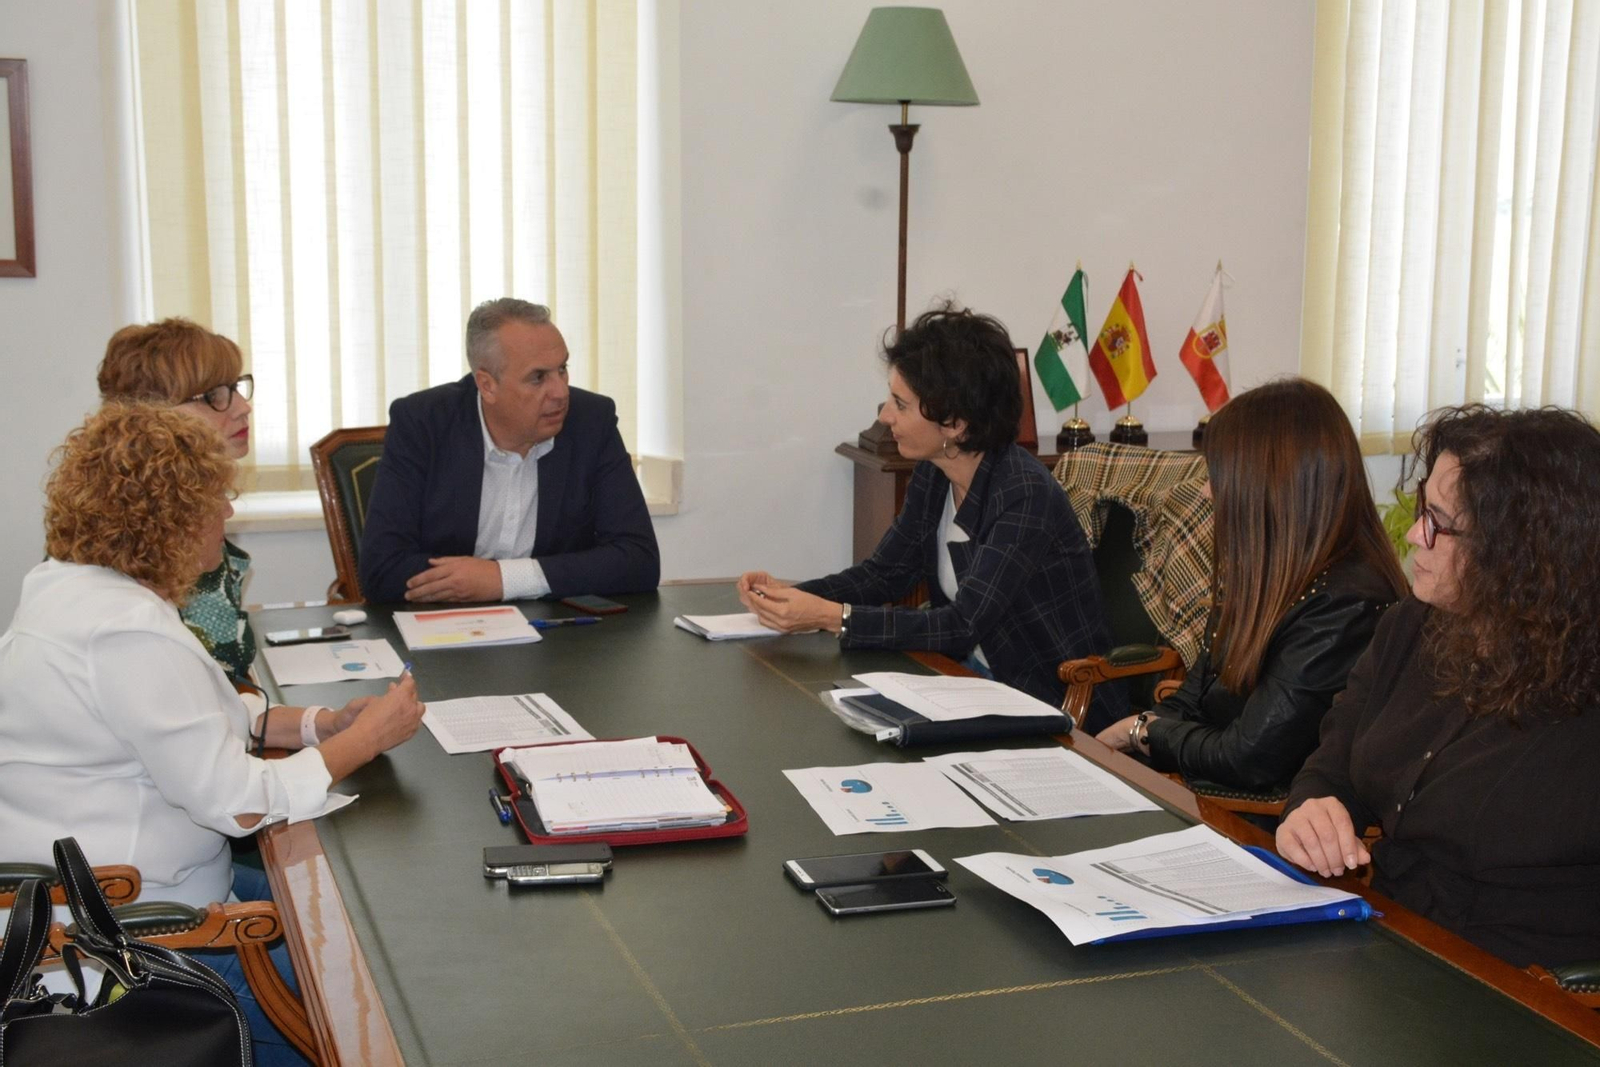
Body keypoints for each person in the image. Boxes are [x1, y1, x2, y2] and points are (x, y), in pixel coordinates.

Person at [0, 403, 427, 1064]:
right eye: (217, 498)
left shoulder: (70, 591)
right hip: (142, 945)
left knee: (359, 923)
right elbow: (238, 802)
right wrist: (363, 740)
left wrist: (320, 724)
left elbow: (193, 717)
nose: (227, 515)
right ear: (165, 515)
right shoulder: (124, 629)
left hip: (119, 901)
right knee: (372, 1003)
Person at [1277, 405, 1600, 968]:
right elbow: (1333, 764)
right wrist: (1312, 809)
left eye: (1439, 521)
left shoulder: (1583, 697)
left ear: (1525, 553)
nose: (1413, 533)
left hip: (1520, 987)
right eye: (1422, 507)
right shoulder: (1411, 626)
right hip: (1386, 933)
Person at [737, 303, 1120, 719]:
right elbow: (885, 573)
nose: (885, 416)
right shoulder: (934, 473)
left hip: (1046, 702)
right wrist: (792, 597)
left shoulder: (1024, 494)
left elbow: (961, 625)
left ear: (955, 423)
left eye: (900, 404)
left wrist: (834, 618)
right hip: (965, 681)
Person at [1094, 379, 1408, 794]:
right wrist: (1137, 730)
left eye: (1218, 474)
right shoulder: (1269, 571)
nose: (1207, 490)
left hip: (1264, 825)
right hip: (1209, 794)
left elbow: (1249, 759)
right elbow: (1193, 699)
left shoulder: (1346, 602)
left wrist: (1141, 734)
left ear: (1269, 486)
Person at [359, 297, 660, 604]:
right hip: (444, 633)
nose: (560, 392)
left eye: (562, 369)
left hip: (557, 637)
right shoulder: (424, 423)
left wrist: (503, 579)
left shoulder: (591, 422)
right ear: (487, 385)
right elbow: (381, 570)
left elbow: (639, 560)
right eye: (538, 377)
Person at [98, 318, 258, 686]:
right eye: (216, 394)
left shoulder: (192, 503)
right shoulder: (129, 533)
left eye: (235, 387)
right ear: (152, 416)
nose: (242, 407)